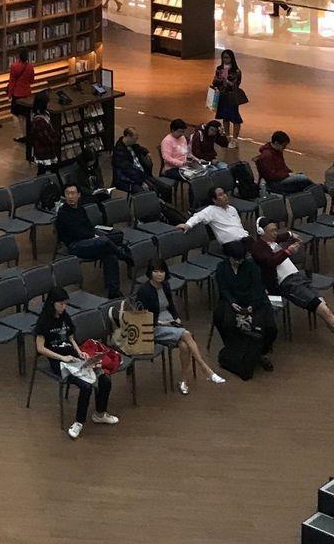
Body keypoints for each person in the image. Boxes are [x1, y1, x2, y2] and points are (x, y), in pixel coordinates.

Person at [132, 262, 226, 394]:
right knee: (186, 334)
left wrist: (176, 317)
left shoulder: (165, 285)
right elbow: (143, 316)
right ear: (150, 273)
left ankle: (183, 381)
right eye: (156, 271)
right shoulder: (144, 290)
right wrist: (162, 323)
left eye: (162, 271)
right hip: (154, 327)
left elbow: (171, 306)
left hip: (170, 322)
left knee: (185, 346)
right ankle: (206, 369)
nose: (159, 274)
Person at [34, 289, 116, 439]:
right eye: (61, 303)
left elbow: (70, 338)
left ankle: (100, 413)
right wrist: (61, 358)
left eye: (65, 303)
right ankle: (79, 422)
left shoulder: (65, 317)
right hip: (58, 363)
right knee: (86, 387)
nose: (64, 306)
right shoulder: (43, 322)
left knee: (105, 379)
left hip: (73, 358)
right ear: (53, 303)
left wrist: (79, 352)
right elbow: (40, 348)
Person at [250, 217, 334, 333]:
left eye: (276, 230)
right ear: (261, 232)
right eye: (272, 231)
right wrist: (288, 251)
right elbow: (271, 262)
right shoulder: (258, 248)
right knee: (325, 311)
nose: (275, 234)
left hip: (298, 277)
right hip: (288, 284)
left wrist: (290, 234)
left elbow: (281, 237)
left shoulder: (271, 240)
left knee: (324, 306)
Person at [53, 182, 130, 298]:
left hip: (88, 241)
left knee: (110, 254)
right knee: (104, 242)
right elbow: (76, 234)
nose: (70, 196)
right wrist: (93, 237)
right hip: (75, 246)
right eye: (67, 194)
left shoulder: (80, 209)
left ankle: (113, 291)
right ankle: (124, 256)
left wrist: (94, 235)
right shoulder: (63, 214)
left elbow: (88, 226)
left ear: (78, 195)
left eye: (73, 193)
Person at [213, 241, 277, 380]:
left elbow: (258, 288)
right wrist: (232, 302)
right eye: (235, 259)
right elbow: (223, 288)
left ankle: (260, 352)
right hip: (233, 301)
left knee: (270, 327)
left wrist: (252, 306)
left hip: (254, 301)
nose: (238, 262)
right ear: (229, 257)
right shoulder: (222, 267)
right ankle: (234, 350)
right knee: (221, 318)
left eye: (241, 259)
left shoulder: (251, 267)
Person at [182, 182, 248, 247]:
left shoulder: (232, 209)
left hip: (244, 238)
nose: (225, 196)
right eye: (221, 195)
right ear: (214, 200)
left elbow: (239, 226)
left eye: (224, 193)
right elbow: (198, 216)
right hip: (230, 243)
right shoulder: (211, 210)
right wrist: (188, 225)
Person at [256, 130, 314, 195]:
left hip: (280, 178)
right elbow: (271, 176)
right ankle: (317, 188)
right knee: (303, 178)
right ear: (276, 143)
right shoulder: (267, 155)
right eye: (283, 146)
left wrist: (290, 173)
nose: (284, 148)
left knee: (301, 178)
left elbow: (283, 166)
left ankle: (314, 189)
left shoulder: (277, 151)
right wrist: (287, 175)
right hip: (273, 183)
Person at [211, 49, 246, 143]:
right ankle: (227, 135)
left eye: (227, 57)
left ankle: (235, 138)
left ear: (231, 58)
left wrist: (227, 81)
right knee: (225, 117)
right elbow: (214, 82)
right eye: (224, 58)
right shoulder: (219, 68)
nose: (225, 59)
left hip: (231, 96)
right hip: (222, 95)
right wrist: (217, 80)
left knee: (235, 117)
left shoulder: (236, 71)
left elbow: (236, 84)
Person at [7, 47, 36, 157]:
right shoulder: (30, 67)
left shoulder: (14, 66)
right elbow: (32, 80)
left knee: (15, 114)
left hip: (17, 94)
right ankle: (27, 134)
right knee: (26, 115)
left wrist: (9, 95)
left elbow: (12, 82)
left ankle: (22, 134)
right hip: (27, 94)